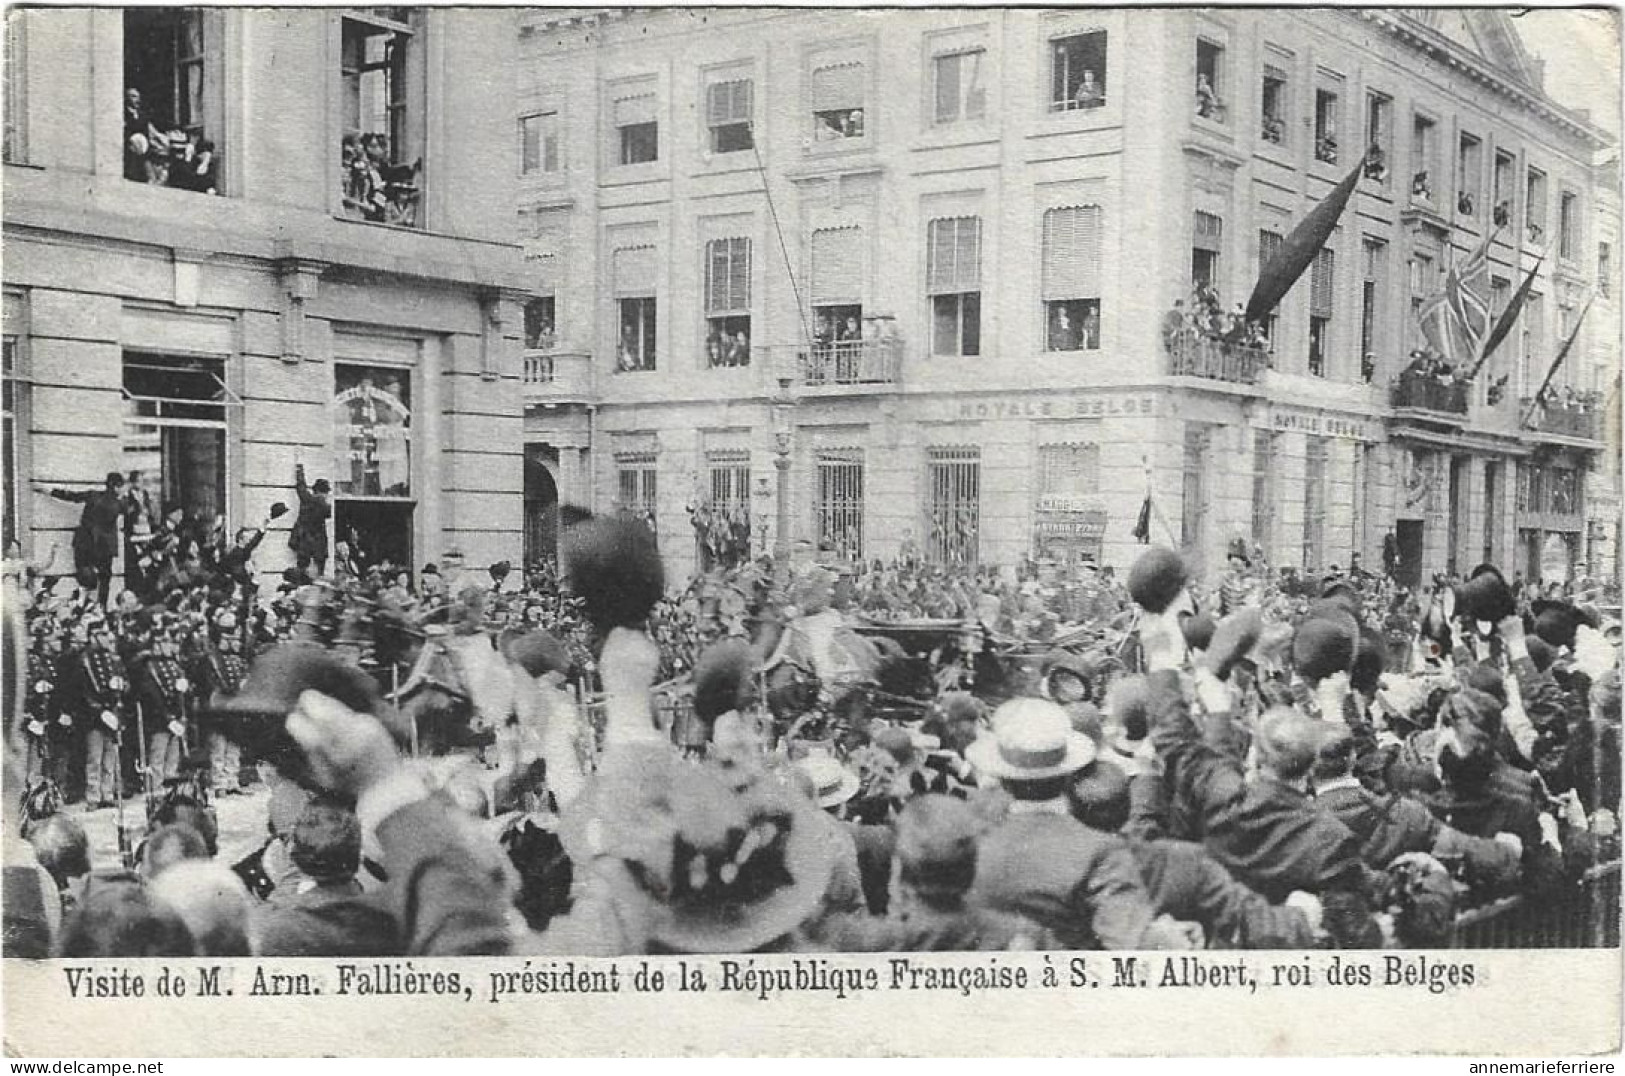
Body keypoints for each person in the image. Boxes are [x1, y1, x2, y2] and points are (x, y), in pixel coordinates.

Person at [966, 698, 1189, 949]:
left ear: (1004, 780)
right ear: (1070, 775)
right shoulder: (1099, 850)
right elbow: (1130, 939)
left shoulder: (971, 847)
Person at [43, 472, 125, 607]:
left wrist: (48, 491)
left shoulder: (93, 495)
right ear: (116, 487)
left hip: (85, 543)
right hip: (104, 547)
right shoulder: (119, 504)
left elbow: (70, 496)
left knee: (84, 578)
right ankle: (101, 607)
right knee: (105, 580)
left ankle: (82, 605)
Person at [290, 463, 332, 577]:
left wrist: (299, 470)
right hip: (317, 545)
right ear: (324, 492)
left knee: (302, 570)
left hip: (303, 542)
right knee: (319, 573)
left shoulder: (307, 499)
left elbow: (301, 487)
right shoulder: (324, 505)